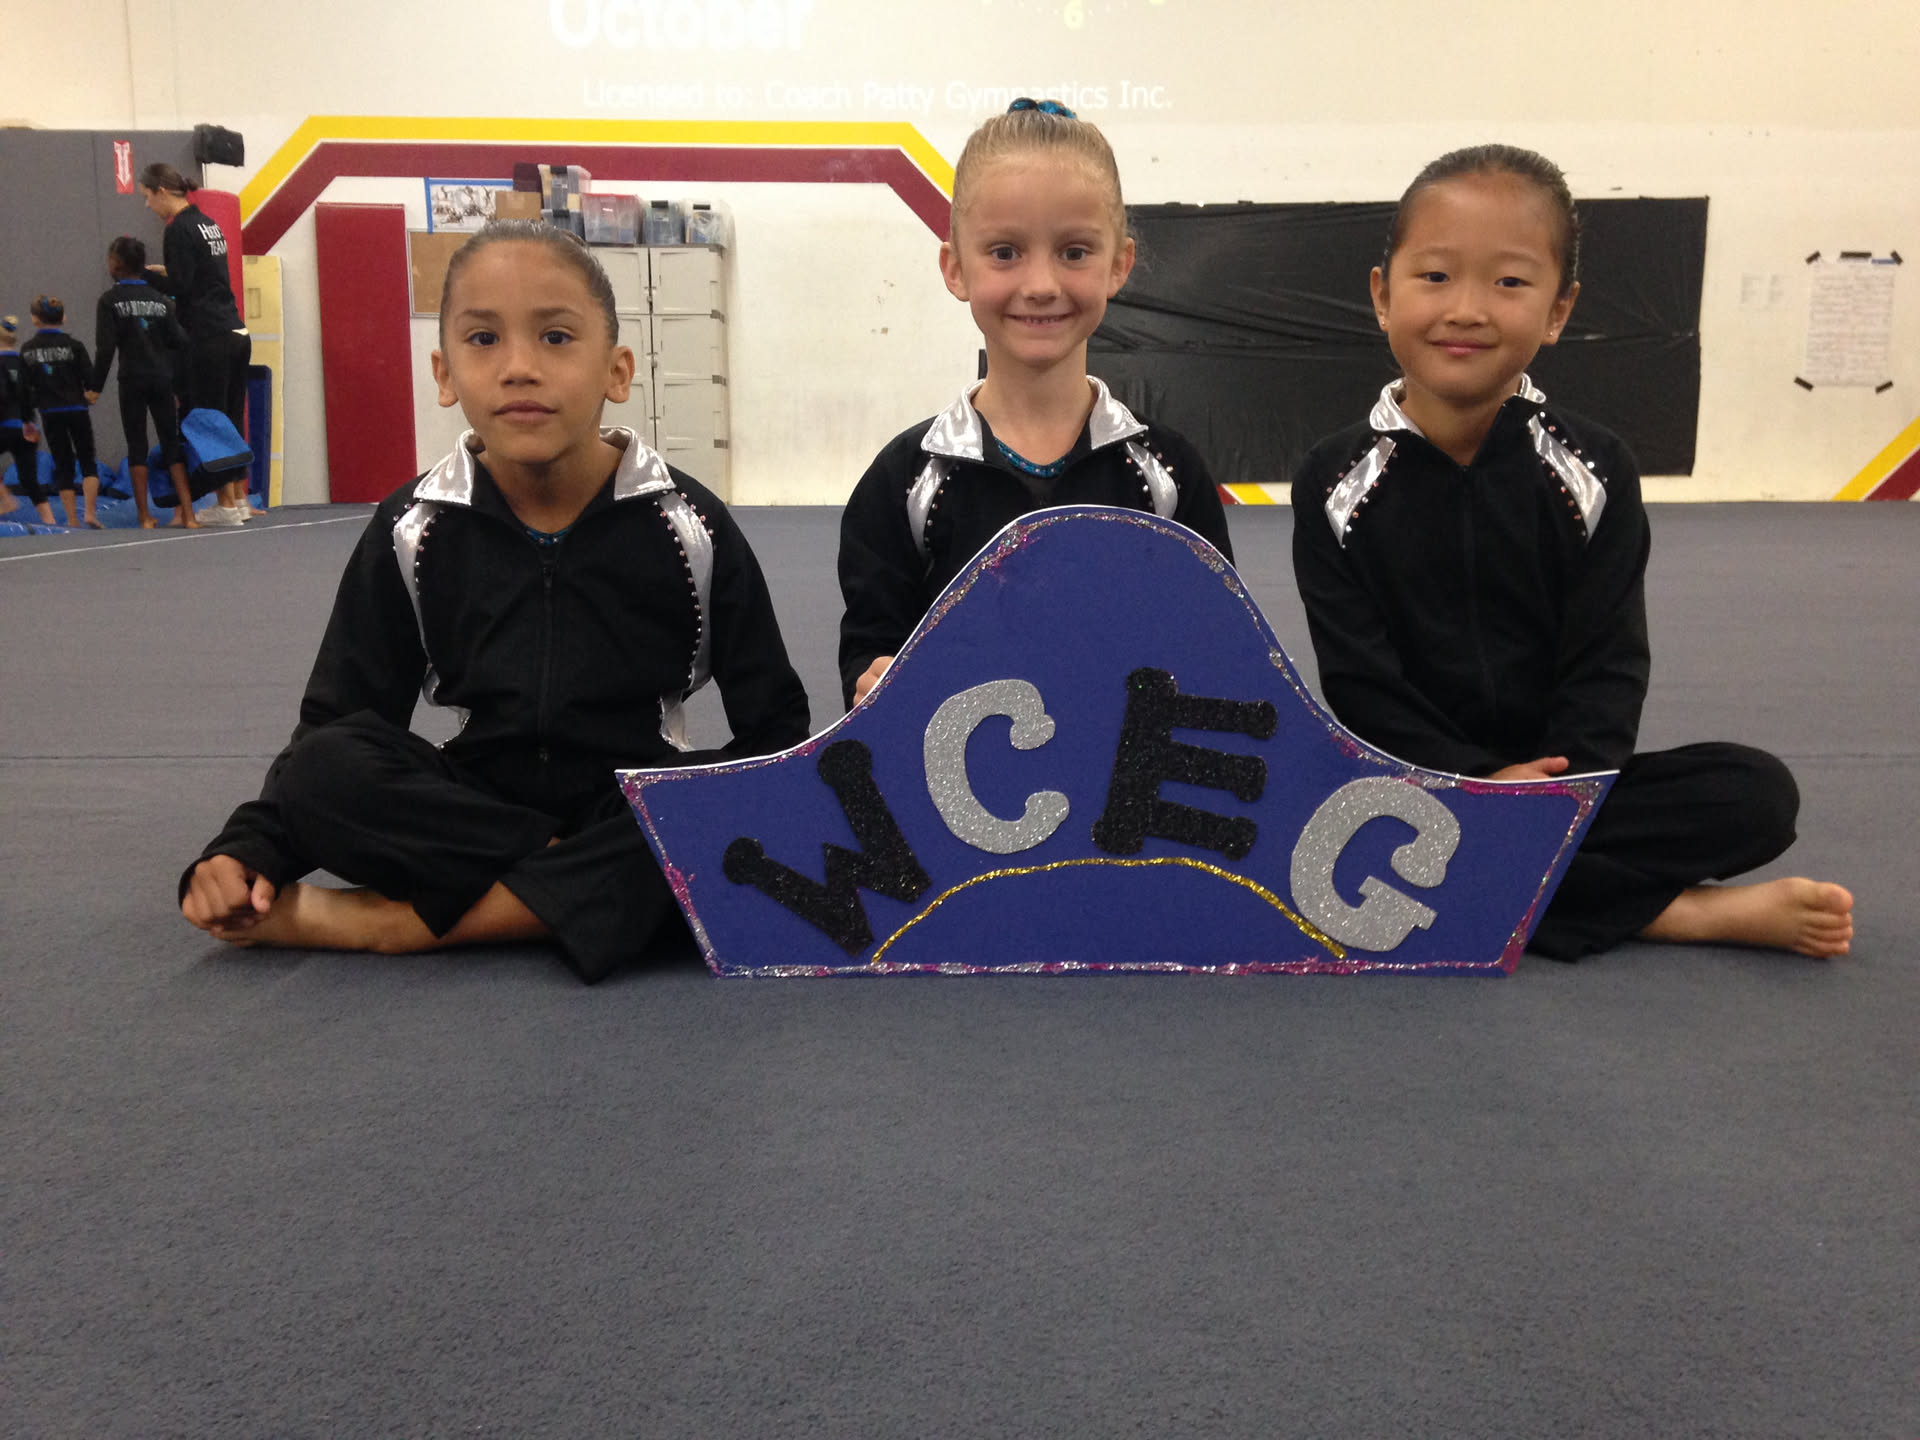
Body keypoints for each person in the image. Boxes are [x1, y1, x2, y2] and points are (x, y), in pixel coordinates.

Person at [178, 220, 813, 981]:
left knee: (738, 808)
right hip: (475, 808)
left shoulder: (690, 524)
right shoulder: (413, 527)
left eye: (555, 337)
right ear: (445, 373)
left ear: (616, 371)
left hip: (627, 804)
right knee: (325, 769)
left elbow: (775, 732)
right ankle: (573, 889)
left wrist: (704, 817)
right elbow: (339, 719)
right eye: (484, 340)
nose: (519, 368)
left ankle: (397, 925)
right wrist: (250, 846)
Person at [1290, 143, 1853, 962]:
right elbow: (1359, 683)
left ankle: (1515, 877)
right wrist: (1478, 780)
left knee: (1755, 793)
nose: (1467, 309)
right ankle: (1675, 914)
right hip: (1412, 783)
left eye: (1510, 283)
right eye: (1435, 276)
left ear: (1559, 310)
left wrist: (1560, 791)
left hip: (1561, 785)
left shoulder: (1594, 469)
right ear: (1383, 294)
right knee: (1305, 824)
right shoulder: (1334, 479)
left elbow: (1609, 665)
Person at [837, 98, 1232, 709]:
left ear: (1119, 265)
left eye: (1074, 252)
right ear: (955, 268)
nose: (1042, 285)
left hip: (1130, 766)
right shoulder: (906, 482)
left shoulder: (1166, 477)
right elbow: (870, 652)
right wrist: (873, 682)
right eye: (1005, 252)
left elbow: (1219, 647)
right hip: (960, 767)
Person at [137, 161, 252, 526]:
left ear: (162, 192)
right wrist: (168, 271)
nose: (148, 206)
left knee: (207, 420)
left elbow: (181, 288)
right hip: (235, 329)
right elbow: (203, 275)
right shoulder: (207, 223)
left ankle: (226, 505)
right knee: (229, 418)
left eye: (147, 197)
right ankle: (238, 499)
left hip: (208, 334)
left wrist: (144, 276)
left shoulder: (177, 229)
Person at [88, 236, 192, 529]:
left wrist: (95, 387)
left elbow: (106, 348)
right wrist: (178, 383)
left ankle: (145, 516)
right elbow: (180, 341)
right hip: (162, 377)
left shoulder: (110, 301)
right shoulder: (160, 300)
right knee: (171, 443)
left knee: (137, 445)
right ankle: (189, 513)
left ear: (116, 263)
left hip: (132, 379)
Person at [21, 296, 102, 529]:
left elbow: (24, 389)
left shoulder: (27, 350)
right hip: (76, 408)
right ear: (63, 318)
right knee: (87, 459)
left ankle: (72, 519)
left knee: (62, 463)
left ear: (35, 319)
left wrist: (28, 418)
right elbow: (91, 378)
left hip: (50, 411)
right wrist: (89, 394)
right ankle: (90, 513)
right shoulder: (74, 346)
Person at [0, 314, 56, 525]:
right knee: (29, 479)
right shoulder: (25, 363)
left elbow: (2, 395)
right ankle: (50, 521)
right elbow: (35, 395)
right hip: (27, 427)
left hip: (4, 424)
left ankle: (6, 499)